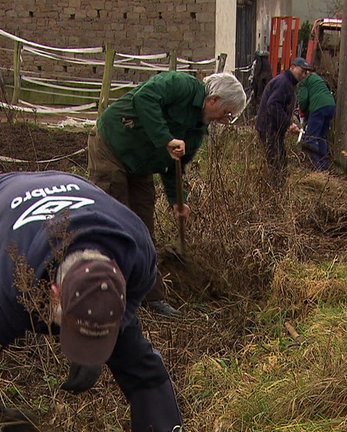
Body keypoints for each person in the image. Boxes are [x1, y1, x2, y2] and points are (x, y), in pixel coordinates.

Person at [0, 171, 183, 432]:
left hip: (73, 190)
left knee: (140, 364)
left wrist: (95, 345)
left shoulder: (139, 255)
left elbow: (127, 313)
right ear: (53, 292)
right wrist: (0, 420)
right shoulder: (10, 280)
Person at [88, 70, 247, 316]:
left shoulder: (197, 130)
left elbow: (175, 166)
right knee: (114, 224)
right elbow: (143, 99)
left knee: (143, 229)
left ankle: (151, 297)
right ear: (213, 100)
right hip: (112, 147)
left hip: (141, 164)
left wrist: (176, 201)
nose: (225, 121)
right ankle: (105, 297)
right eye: (226, 114)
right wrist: (165, 139)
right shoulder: (179, 85)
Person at [255, 57, 313, 184]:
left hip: (274, 129)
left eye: (306, 73)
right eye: (302, 71)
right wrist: (288, 124)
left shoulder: (289, 83)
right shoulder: (283, 82)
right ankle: (274, 193)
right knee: (276, 164)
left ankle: (276, 191)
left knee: (280, 162)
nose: (304, 75)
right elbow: (273, 105)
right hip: (269, 128)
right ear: (292, 67)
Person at [296, 71, 336, 170]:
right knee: (322, 137)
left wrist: (304, 114)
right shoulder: (317, 78)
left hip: (318, 107)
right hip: (330, 105)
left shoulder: (302, 81)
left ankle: (317, 168)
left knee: (311, 138)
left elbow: (303, 100)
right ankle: (325, 167)